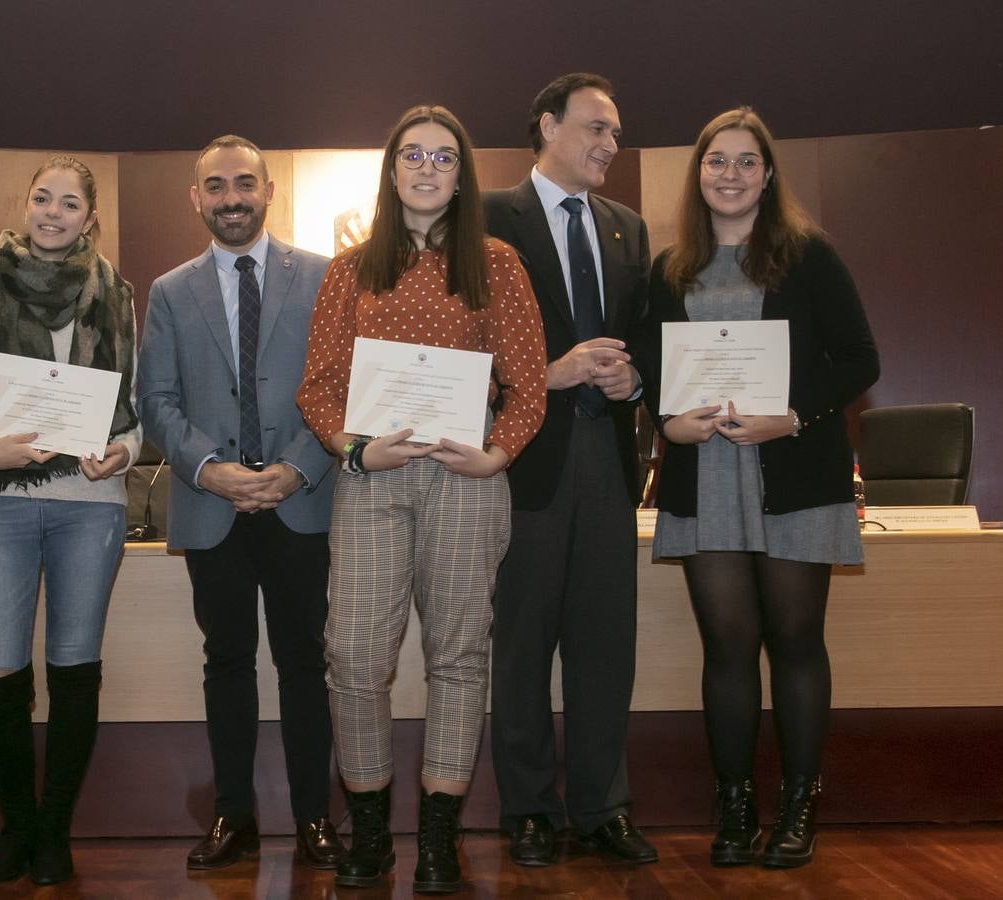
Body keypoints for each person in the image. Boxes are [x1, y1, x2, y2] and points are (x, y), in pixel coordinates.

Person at [298, 104, 546, 894]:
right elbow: (319, 389)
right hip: (374, 480)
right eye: (414, 155)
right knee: (355, 654)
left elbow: (529, 384)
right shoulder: (351, 269)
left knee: (459, 656)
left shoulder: (497, 263)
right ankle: (369, 830)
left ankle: (439, 835)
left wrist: (496, 454)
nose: (428, 169)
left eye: (444, 157)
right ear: (392, 168)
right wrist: (358, 450)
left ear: (461, 172)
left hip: (465, 482)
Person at [644, 107, 878, 868]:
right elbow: (653, 375)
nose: (731, 175)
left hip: (796, 476)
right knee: (728, 646)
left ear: (769, 176)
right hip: (705, 474)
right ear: (699, 172)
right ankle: (736, 803)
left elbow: (858, 360)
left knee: (797, 643)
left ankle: (800, 803)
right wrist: (668, 422)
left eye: (747, 162)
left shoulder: (808, 257)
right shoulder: (670, 267)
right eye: (718, 161)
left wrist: (792, 418)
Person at [137, 135, 343, 872]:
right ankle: (234, 817)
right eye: (216, 186)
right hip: (212, 505)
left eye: (244, 184)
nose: (232, 198)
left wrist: (296, 469)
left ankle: (317, 818)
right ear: (196, 197)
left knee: (303, 662)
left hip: (300, 502)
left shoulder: (323, 278)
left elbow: (344, 388)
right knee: (225, 661)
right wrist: (207, 468)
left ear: (268, 191)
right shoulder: (168, 290)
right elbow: (153, 400)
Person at [0, 156, 141, 885]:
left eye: (69, 204)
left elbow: (134, 413)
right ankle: (15, 827)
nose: (53, 213)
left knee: (75, 667)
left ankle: (54, 832)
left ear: (90, 217)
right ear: (26, 205)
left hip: (92, 508)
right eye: (42, 199)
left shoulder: (116, 294)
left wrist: (121, 452)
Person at [483, 73, 657, 866]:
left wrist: (637, 380)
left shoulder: (628, 227)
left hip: (609, 462)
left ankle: (601, 805)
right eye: (595, 128)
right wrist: (542, 372)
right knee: (521, 642)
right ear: (547, 125)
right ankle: (526, 810)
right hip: (526, 458)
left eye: (615, 134)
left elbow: (645, 337)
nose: (609, 146)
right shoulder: (488, 219)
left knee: (604, 643)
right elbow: (457, 342)